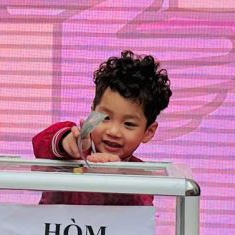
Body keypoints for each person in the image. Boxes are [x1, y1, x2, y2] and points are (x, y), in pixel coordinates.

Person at [31, 50, 171, 207]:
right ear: (92, 112)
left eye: (129, 124)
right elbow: (40, 143)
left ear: (148, 132)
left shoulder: (142, 178)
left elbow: (139, 216)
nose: (113, 132)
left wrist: (116, 179)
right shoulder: (74, 147)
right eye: (105, 117)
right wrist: (67, 142)